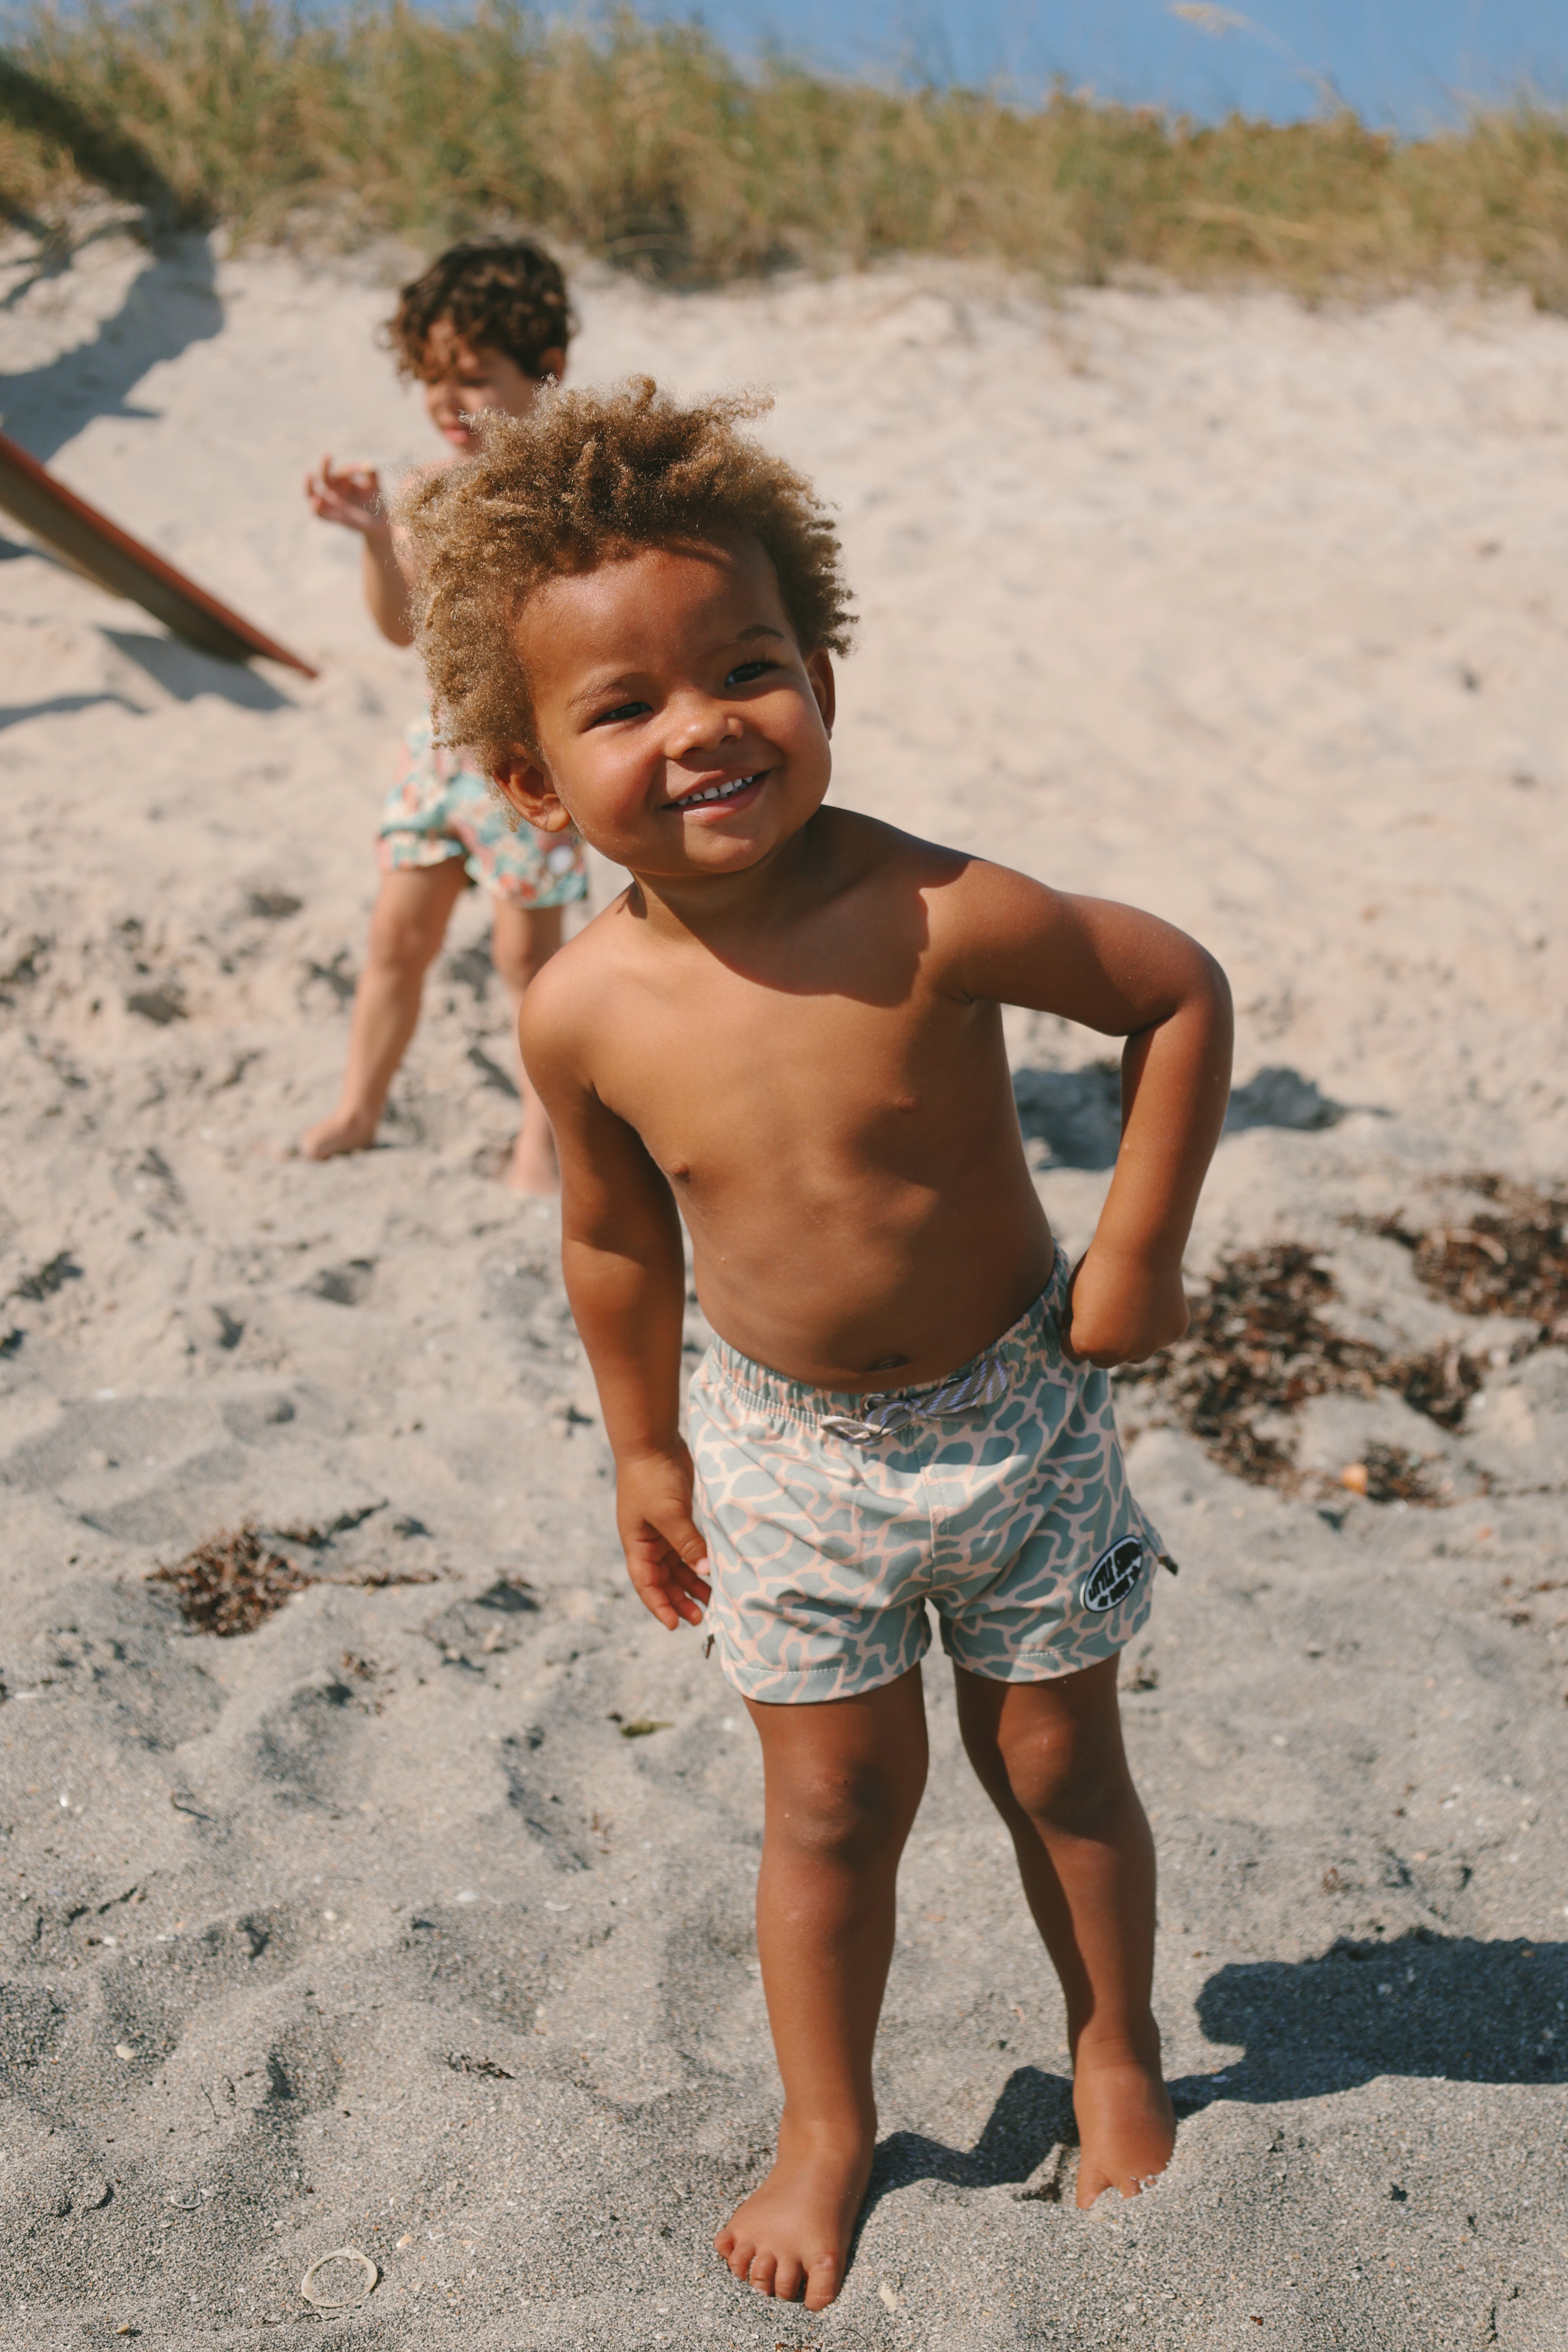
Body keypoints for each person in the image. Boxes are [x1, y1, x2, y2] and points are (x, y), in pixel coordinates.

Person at [399, 380, 1234, 2311]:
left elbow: (1175, 991)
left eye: (744, 670)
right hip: (785, 1454)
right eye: (623, 707)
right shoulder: (585, 1011)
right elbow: (613, 1239)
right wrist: (643, 1449)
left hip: (1022, 1417)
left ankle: (1112, 2051)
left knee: (1059, 1770)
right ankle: (828, 2124)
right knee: (831, 1809)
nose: (700, 725)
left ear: (822, 678)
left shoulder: (934, 910)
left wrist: (1140, 1249)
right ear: (532, 783)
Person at [300, 238, 588, 1191]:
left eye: (472, 378)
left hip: (529, 766)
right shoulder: (425, 490)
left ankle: (541, 1142)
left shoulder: (565, 490)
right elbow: (399, 630)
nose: (445, 400)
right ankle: (359, 1107)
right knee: (397, 939)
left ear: (545, 371)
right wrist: (377, 538)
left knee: (524, 962)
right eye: (431, 378)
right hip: (436, 753)